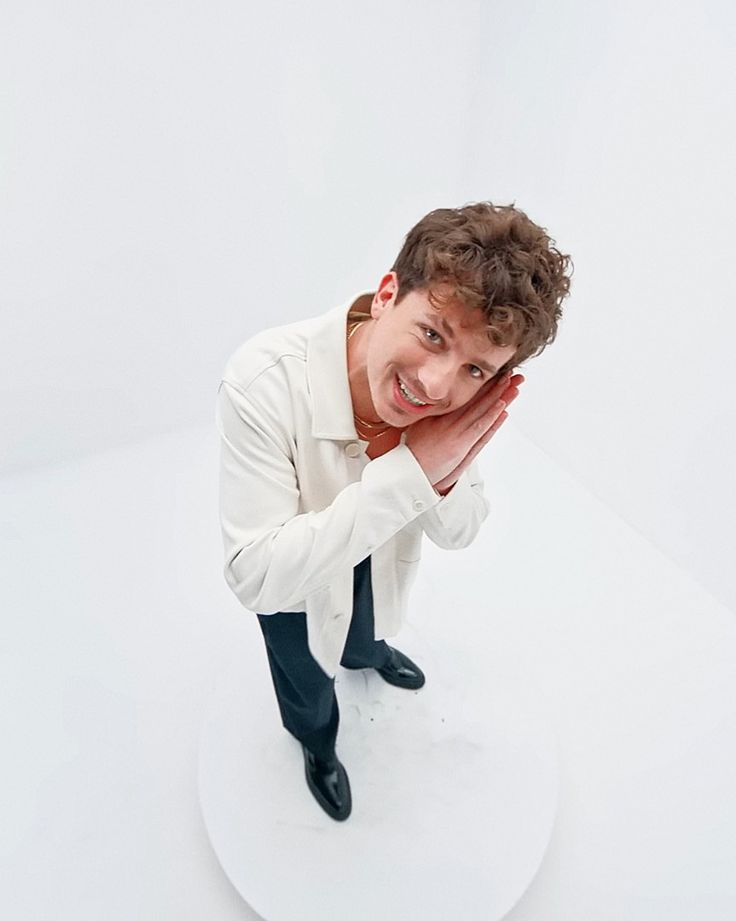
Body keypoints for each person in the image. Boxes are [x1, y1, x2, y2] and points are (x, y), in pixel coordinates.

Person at [216, 202, 572, 821]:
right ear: (387, 293)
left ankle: (369, 654)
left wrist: (446, 463)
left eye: (475, 369)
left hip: (374, 563)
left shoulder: (450, 405)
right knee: (305, 684)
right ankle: (318, 749)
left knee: (367, 627)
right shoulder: (262, 381)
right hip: (294, 592)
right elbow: (256, 576)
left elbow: (461, 530)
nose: (436, 387)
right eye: (433, 333)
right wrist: (412, 471)